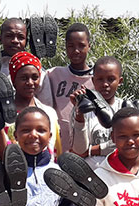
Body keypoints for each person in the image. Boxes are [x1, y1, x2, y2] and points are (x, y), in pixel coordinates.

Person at [0, 18, 53, 126]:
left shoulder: (38, 72)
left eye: (20, 37)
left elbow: (46, 105)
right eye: (9, 36)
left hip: (28, 125)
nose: (15, 40)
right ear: (0, 38)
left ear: (26, 41)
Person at [0, 52, 62, 157]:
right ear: (14, 81)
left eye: (35, 77)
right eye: (24, 78)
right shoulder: (1, 114)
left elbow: (55, 150)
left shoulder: (49, 113)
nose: (30, 82)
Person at [46, 22, 94, 151]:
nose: (76, 51)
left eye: (81, 46)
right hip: (56, 146)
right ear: (65, 47)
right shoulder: (53, 74)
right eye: (71, 46)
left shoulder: (97, 80)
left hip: (85, 149)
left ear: (89, 46)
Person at [70, 56, 124, 167]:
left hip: (120, 176)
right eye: (100, 79)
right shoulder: (83, 109)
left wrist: (91, 151)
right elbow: (79, 151)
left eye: (111, 79)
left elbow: (126, 145)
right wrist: (80, 116)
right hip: (90, 177)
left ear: (120, 81)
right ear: (93, 80)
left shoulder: (125, 109)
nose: (105, 84)